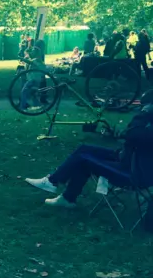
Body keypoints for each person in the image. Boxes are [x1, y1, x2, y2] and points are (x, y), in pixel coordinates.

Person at [25, 89, 153, 207]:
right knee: (85, 149)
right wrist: (120, 134)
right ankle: (52, 182)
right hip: (130, 159)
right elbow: (137, 139)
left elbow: (135, 134)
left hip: (134, 172)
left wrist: (143, 115)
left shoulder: (145, 118)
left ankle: (66, 196)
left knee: (83, 160)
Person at [19, 39, 46, 110]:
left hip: (33, 79)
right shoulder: (39, 59)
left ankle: (23, 105)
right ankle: (37, 104)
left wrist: (22, 58)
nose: (32, 52)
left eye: (33, 51)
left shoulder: (37, 59)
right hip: (35, 79)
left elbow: (30, 61)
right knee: (33, 92)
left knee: (24, 91)